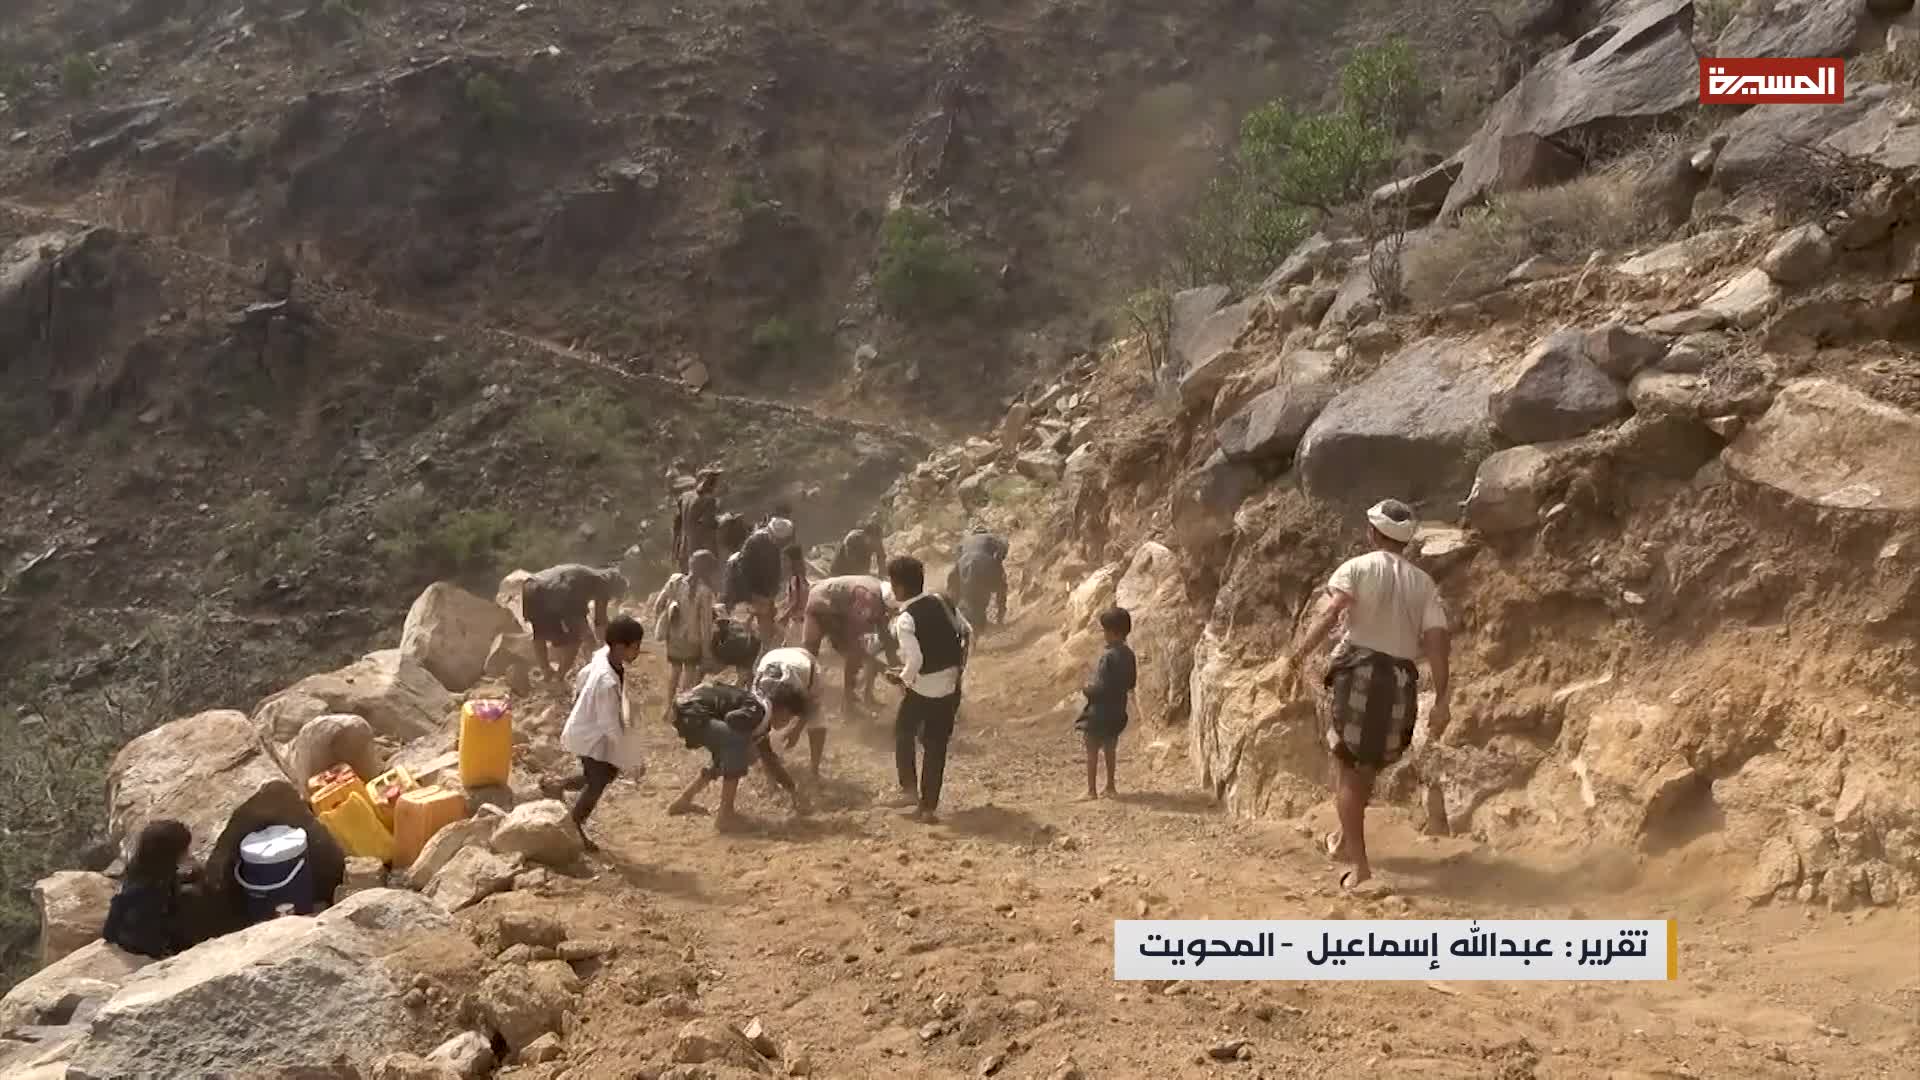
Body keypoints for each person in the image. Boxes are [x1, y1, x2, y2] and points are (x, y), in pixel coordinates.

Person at [1279, 498, 1452, 891]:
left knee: (1348, 770)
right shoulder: (1423, 584)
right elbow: (1437, 642)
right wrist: (1442, 698)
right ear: (1405, 541)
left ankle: (1360, 869)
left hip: (1359, 675)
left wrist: (1296, 656)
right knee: (1367, 766)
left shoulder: (1356, 568)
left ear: (1372, 533)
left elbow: (1331, 612)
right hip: (1400, 682)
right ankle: (1344, 840)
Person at [884, 556, 972, 824]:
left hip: (923, 689)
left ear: (899, 588)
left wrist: (901, 679)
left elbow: (916, 661)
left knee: (903, 731)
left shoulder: (905, 619)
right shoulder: (942, 601)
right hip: (950, 686)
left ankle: (909, 789)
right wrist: (958, 668)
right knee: (936, 746)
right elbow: (966, 631)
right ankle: (928, 807)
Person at [560, 615, 648, 852]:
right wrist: (630, 758)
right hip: (588, 734)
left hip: (591, 729)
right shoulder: (606, 682)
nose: (638, 651)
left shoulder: (605, 656)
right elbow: (610, 727)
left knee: (606, 772)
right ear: (620, 647)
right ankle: (575, 824)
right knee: (598, 780)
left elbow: (583, 673)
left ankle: (558, 785)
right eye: (635, 647)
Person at [667, 682, 808, 829]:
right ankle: (726, 814)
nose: (788, 722)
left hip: (688, 709)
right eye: (790, 717)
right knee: (738, 744)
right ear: (784, 710)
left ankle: (684, 800)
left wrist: (792, 789)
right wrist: (744, 743)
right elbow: (732, 719)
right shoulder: (758, 712)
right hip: (692, 712)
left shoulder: (758, 712)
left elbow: (769, 760)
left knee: (734, 750)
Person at [103, 819, 198, 959]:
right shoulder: (146, 888)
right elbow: (120, 903)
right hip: (141, 941)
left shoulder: (154, 870)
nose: (188, 853)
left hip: (154, 923)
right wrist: (110, 934)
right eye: (185, 849)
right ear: (169, 855)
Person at [801, 574, 893, 717]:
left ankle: (862, 697)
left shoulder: (880, 595)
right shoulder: (867, 597)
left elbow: (883, 635)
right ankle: (841, 705)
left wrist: (890, 659)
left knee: (871, 651)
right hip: (820, 605)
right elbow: (855, 633)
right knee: (809, 658)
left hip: (838, 609)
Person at [523, 564, 628, 680]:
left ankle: (546, 672)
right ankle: (559, 678)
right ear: (614, 588)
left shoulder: (590, 575)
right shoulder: (603, 584)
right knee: (575, 640)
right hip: (554, 591)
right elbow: (600, 620)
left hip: (531, 586)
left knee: (539, 633)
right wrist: (605, 648)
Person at [1076, 607, 1137, 800]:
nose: (1104, 635)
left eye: (1106, 631)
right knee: (1110, 748)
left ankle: (1091, 790)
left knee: (1092, 748)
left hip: (1099, 712)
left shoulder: (1108, 656)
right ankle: (1110, 786)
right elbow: (1131, 683)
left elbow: (1101, 687)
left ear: (1113, 632)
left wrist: (1087, 689)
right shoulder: (1129, 654)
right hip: (1118, 710)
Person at [655, 549, 721, 702]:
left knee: (675, 672)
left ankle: (668, 706)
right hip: (692, 640)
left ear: (691, 564)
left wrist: (663, 622)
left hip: (673, 637)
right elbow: (705, 625)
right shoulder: (705, 592)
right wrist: (706, 652)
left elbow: (658, 604)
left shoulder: (675, 581)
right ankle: (682, 707)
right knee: (689, 676)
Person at [754, 646, 828, 777]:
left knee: (817, 720)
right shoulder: (758, 695)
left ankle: (814, 770)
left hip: (805, 662)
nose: (778, 723)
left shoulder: (805, 687)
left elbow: (812, 706)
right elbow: (758, 733)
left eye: (783, 717)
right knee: (759, 726)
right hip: (772, 657)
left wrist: (797, 729)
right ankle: (770, 764)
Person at [730, 518, 792, 656]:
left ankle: (762, 650)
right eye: (779, 540)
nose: (781, 543)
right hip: (752, 589)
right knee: (750, 624)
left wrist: (772, 590)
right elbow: (743, 570)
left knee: (765, 623)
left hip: (764, 591)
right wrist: (750, 595)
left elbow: (774, 568)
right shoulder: (755, 542)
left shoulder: (776, 544)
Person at [949, 526, 1010, 630]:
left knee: (963, 591)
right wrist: (998, 561)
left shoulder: (965, 540)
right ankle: (1000, 617)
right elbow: (1004, 544)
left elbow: (956, 553)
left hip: (964, 563)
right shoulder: (991, 536)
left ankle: (955, 616)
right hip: (985, 561)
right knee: (1001, 586)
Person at [674, 468, 723, 573]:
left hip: (684, 552)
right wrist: (721, 521)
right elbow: (708, 524)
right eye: (712, 480)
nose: (715, 484)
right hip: (701, 555)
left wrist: (676, 550)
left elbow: (677, 525)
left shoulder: (684, 497)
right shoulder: (709, 500)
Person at [777, 543, 809, 646]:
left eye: (785, 559)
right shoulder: (799, 578)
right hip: (798, 623)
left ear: (793, 561)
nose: (783, 563)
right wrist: (780, 605)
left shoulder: (796, 579)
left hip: (798, 624)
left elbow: (795, 601)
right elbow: (791, 598)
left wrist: (784, 617)